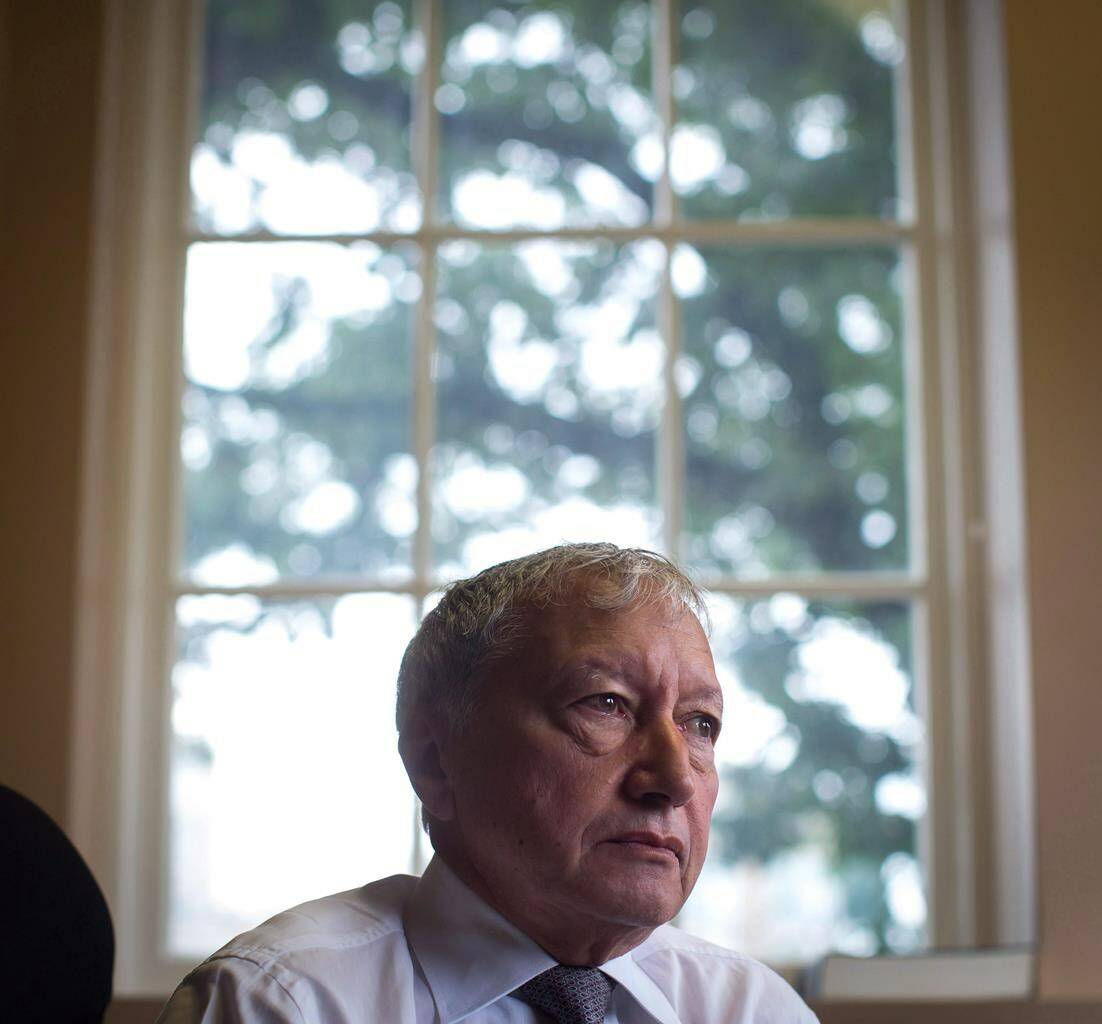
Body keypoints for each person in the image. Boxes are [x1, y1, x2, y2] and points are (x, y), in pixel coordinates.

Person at [156, 543, 819, 1023]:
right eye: (606, 704)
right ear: (436, 763)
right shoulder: (284, 1006)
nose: (673, 779)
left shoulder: (751, 1010)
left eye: (700, 724)